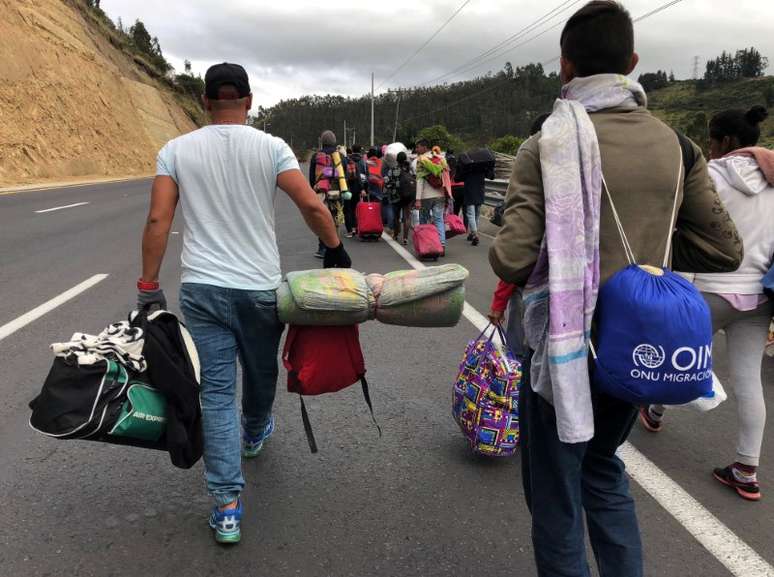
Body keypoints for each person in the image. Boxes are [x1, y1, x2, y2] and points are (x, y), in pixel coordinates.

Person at [489, 4, 743, 576]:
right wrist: (646, 262)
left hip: (562, 350)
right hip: (636, 344)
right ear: (632, 62)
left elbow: (511, 258)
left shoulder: (546, 144)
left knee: (555, 492)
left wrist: (565, 249)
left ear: (565, 65)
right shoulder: (679, 146)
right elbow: (725, 249)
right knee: (602, 467)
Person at [136, 62, 351, 545]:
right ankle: (254, 431)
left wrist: (148, 284)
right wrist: (335, 248)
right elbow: (311, 204)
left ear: (205, 101)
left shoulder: (175, 150)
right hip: (258, 288)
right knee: (260, 371)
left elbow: (157, 220)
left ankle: (227, 506)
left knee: (215, 393)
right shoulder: (272, 147)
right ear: (249, 102)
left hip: (202, 290)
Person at [641, 106, 774, 502]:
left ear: (726, 141)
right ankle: (746, 468)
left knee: (676, 358)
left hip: (708, 289)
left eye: (712, 141)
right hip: (758, 295)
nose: (709, 148)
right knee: (748, 379)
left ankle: (654, 412)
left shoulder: (709, 175)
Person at [309, 130, 348, 258]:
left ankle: (322, 248)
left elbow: (312, 177)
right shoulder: (340, 156)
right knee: (336, 219)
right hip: (337, 193)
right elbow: (345, 174)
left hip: (321, 192)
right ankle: (336, 247)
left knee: (322, 219)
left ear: (322, 142)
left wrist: (315, 189)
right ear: (334, 141)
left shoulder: (316, 156)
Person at [414, 139, 449, 252]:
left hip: (426, 196)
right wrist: (447, 194)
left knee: (424, 220)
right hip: (440, 194)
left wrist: (418, 199)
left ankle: (426, 245)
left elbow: (420, 180)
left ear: (424, 147)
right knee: (439, 219)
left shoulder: (421, 160)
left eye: (418, 147)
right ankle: (442, 244)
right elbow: (446, 177)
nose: (416, 149)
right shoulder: (441, 159)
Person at [458, 159, 495, 246]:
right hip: (479, 193)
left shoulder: (467, 168)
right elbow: (492, 176)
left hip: (469, 193)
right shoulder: (483, 168)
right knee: (477, 215)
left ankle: (475, 234)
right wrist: (490, 167)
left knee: (471, 214)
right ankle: (473, 233)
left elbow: (457, 178)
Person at [344, 144, 367, 238]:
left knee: (347, 210)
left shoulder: (345, 162)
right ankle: (356, 228)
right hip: (356, 189)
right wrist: (362, 189)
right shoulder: (361, 161)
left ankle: (350, 231)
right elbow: (359, 177)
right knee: (355, 209)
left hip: (346, 189)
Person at [394, 151, 416, 245]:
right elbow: (414, 178)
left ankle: (396, 234)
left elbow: (389, 182)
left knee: (397, 216)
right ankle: (405, 238)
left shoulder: (395, 169)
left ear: (397, 159)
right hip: (409, 194)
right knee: (407, 216)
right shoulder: (410, 168)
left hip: (397, 195)